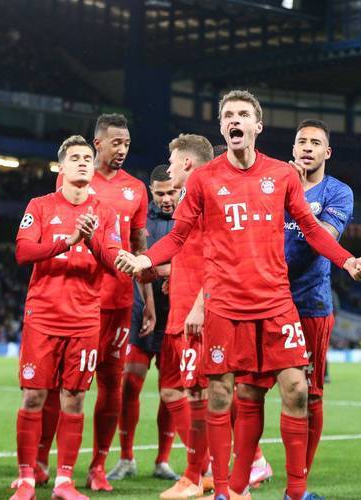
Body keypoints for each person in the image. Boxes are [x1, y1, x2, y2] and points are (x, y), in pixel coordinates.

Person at [115, 89, 361, 500]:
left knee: (297, 389)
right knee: (222, 395)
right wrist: (144, 259)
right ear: (222, 127)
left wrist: (346, 260)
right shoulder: (204, 179)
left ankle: (296, 492)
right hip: (225, 304)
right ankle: (223, 490)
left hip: (275, 301)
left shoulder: (282, 175)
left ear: (257, 125)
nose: (235, 120)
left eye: (242, 114)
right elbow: (178, 236)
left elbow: (310, 229)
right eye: (228, 115)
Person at [37, 114, 151, 491]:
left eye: (127, 144)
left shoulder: (136, 189)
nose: (123, 149)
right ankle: (40, 460)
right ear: (97, 143)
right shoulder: (72, 178)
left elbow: (139, 247)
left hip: (119, 301)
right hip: (77, 299)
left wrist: (147, 300)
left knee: (111, 384)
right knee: (57, 384)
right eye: (116, 142)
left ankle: (98, 465)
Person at [243, 118, 354, 488]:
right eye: (301, 141)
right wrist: (281, 190)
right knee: (247, 388)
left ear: (327, 152)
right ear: (293, 148)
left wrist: (292, 198)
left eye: (315, 142)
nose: (307, 147)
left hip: (309, 305)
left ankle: (299, 480)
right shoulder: (270, 183)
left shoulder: (338, 192)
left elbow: (323, 237)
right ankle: (253, 463)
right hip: (262, 300)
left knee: (309, 393)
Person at [11, 135, 122, 500]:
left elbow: (114, 263)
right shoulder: (41, 205)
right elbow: (24, 252)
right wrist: (70, 239)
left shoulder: (106, 213)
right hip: (43, 316)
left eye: (87, 157)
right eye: (74, 158)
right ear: (61, 166)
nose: (83, 162)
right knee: (33, 397)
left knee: (74, 399)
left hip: (85, 319)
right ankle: (26, 480)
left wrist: (90, 241)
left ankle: (64, 482)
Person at [107, 165, 182, 482]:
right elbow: (135, 262)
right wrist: (149, 295)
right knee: (130, 383)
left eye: (171, 192)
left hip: (176, 313)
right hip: (141, 312)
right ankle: (126, 458)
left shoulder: (188, 216)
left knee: (171, 390)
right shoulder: (141, 219)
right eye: (160, 193)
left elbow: (193, 261)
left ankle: (163, 460)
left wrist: (162, 270)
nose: (166, 199)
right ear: (151, 191)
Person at [157, 133, 216, 499]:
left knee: (199, 394)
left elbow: (218, 255)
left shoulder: (206, 196)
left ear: (187, 162)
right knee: (185, 391)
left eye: (172, 161)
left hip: (196, 313)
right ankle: (204, 473)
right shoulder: (188, 197)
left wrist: (198, 304)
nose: (169, 168)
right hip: (180, 310)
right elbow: (191, 250)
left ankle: (195, 476)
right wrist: (174, 275)